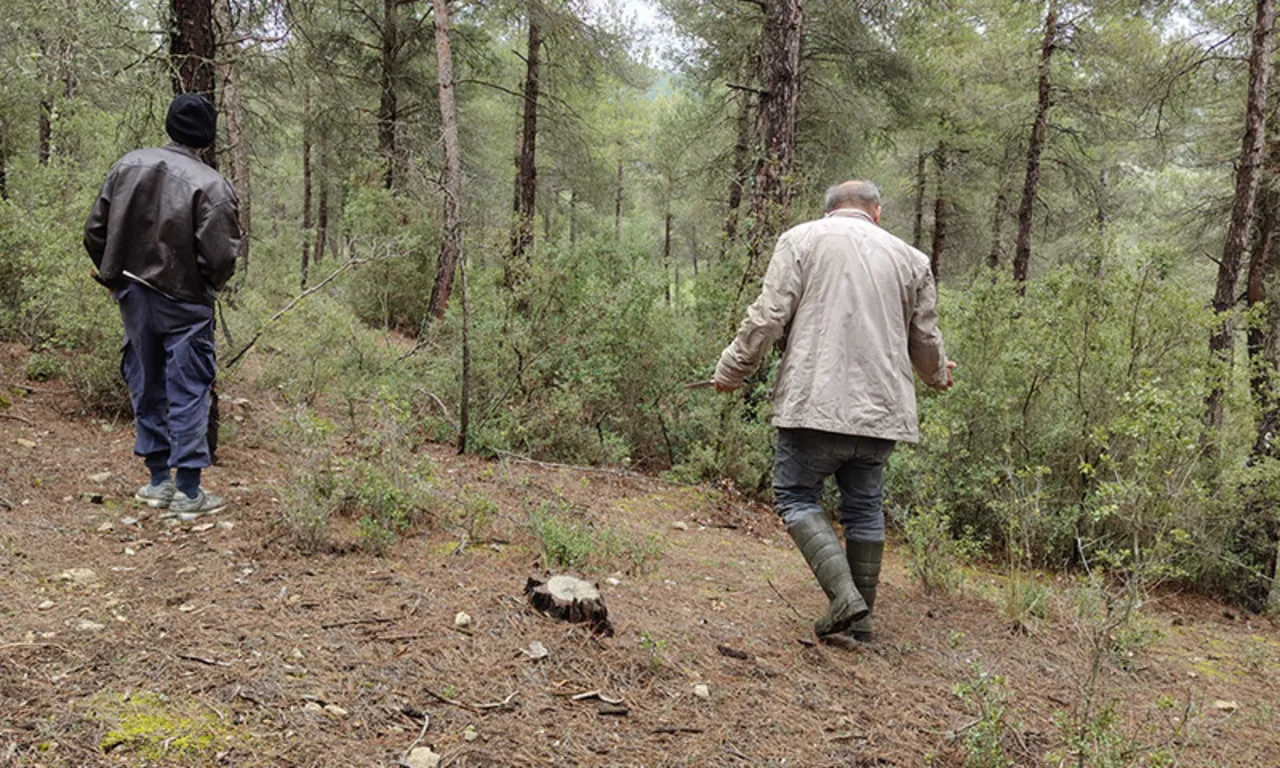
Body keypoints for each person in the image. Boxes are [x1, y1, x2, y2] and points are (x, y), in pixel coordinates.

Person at [714, 180, 954, 644]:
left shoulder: (800, 240)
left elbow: (767, 318)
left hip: (813, 403)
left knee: (795, 495)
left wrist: (732, 370)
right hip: (881, 412)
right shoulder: (912, 259)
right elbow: (925, 339)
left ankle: (844, 598)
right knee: (864, 508)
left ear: (828, 211)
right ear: (876, 213)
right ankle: (860, 624)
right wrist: (937, 374)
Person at [83, 93, 240, 519]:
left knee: (145, 381)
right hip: (185, 301)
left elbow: (95, 232)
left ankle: (157, 483)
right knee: (188, 388)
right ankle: (188, 492)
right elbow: (222, 257)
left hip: (133, 296)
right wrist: (206, 288)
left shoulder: (126, 166)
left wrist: (116, 280)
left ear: (171, 126)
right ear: (205, 139)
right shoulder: (211, 185)